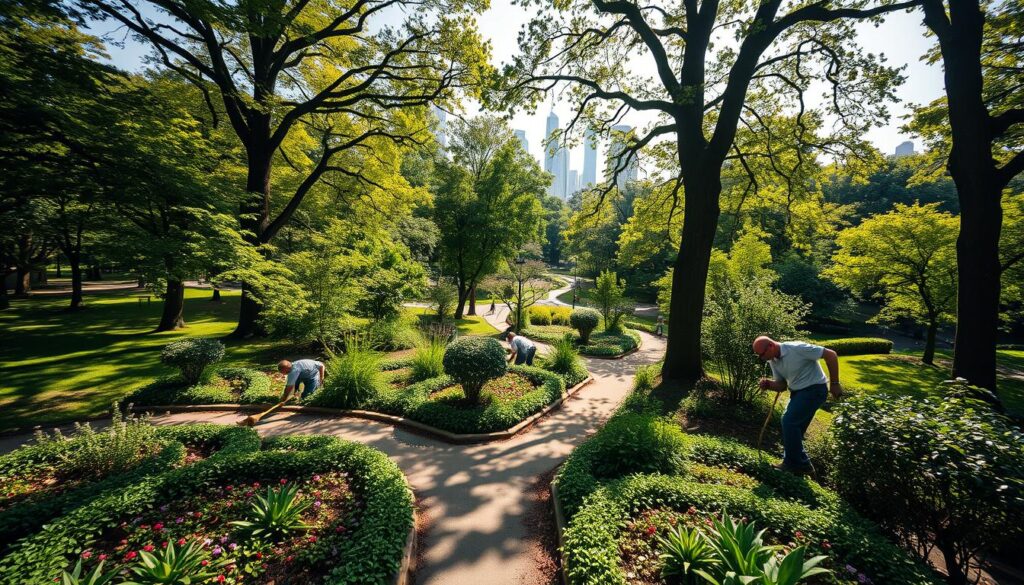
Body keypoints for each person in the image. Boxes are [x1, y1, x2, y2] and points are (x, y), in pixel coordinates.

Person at [752, 336, 842, 474]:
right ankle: (803, 465)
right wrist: (769, 384)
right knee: (795, 429)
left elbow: (830, 354)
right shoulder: (773, 360)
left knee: (789, 421)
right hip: (798, 393)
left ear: (770, 345)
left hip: (815, 389)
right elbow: (782, 385)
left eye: (762, 354)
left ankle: (792, 463)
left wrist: (834, 383)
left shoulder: (797, 348)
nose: (761, 358)